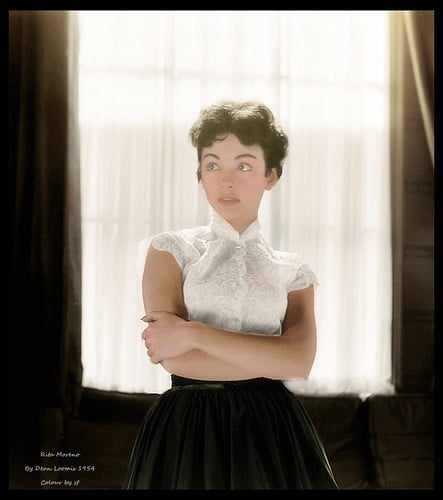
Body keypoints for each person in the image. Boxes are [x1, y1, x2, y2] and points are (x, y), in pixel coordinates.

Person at [122, 100, 338, 490]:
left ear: (270, 175)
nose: (226, 180)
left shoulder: (293, 271)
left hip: (274, 433)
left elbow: (299, 362)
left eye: (243, 165)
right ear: (200, 174)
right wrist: (270, 357)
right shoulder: (169, 250)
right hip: (186, 430)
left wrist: (193, 333)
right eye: (212, 164)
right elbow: (177, 362)